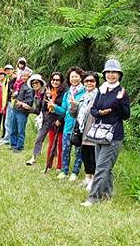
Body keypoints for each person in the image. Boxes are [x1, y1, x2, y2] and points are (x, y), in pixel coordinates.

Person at [81, 59, 130, 206]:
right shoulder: (102, 90)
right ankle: (107, 195)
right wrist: (101, 113)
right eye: (108, 72)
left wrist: (120, 102)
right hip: (99, 133)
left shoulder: (121, 92)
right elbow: (94, 109)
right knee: (104, 167)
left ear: (119, 75)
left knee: (102, 166)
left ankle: (93, 198)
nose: (111, 75)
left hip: (113, 135)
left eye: (114, 72)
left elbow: (126, 115)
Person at [27, 72, 66, 167]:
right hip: (46, 120)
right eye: (33, 83)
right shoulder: (39, 93)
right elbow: (40, 109)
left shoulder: (59, 92)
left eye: (36, 82)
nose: (35, 84)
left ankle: (56, 162)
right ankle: (34, 157)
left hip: (57, 120)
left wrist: (49, 98)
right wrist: (28, 108)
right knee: (39, 138)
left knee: (56, 143)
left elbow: (64, 108)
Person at [54, 67, 86, 181]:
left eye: (76, 76)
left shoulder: (86, 91)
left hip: (79, 126)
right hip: (67, 125)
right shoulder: (67, 93)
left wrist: (77, 105)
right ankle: (64, 170)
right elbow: (64, 110)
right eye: (72, 76)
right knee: (65, 149)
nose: (74, 78)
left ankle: (75, 172)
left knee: (79, 150)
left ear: (81, 77)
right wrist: (54, 108)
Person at [70, 71, 100, 191]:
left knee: (92, 155)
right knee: (84, 155)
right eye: (86, 81)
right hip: (81, 130)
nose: (89, 83)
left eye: (91, 81)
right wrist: (73, 106)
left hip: (92, 131)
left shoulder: (98, 96)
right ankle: (88, 177)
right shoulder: (84, 96)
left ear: (96, 82)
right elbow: (74, 114)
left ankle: (93, 180)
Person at [9, 69, 34, 152]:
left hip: (22, 112)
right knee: (13, 128)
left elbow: (30, 101)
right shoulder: (19, 84)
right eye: (22, 75)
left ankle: (19, 146)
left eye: (25, 75)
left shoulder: (29, 87)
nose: (23, 77)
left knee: (20, 130)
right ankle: (13, 144)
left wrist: (22, 103)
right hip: (15, 109)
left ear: (29, 77)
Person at [0, 64, 17, 146]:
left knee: (9, 122)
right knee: (8, 121)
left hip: (13, 102)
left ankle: (8, 139)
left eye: (9, 69)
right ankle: (8, 138)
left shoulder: (17, 79)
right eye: (6, 70)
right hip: (8, 102)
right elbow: (5, 93)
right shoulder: (7, 80)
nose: (8, 71)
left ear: (13, 69)